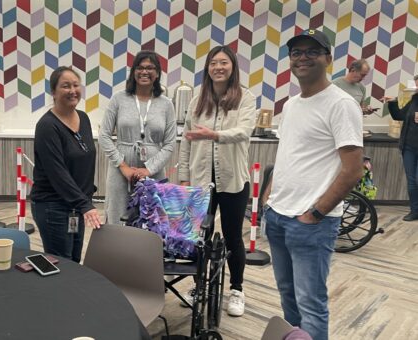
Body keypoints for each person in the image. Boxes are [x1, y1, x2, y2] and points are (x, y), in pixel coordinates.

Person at [262, 30, 363, 340]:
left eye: (311, 52)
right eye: (296, 53)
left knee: (311, 303)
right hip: (278, 216)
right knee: (288, 298)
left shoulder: (341, 104)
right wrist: (269, 196)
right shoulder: (291, 105)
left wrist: (315, 213)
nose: (302, 57)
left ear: (328, 59)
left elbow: (352, 170)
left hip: (311, 223)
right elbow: (289, 155)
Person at [178, 45, 256, 317]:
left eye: (224, 62)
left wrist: (214, 135)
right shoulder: (196, 100)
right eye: (214, 63)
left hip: (234, 181)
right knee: (200, 237)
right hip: (201, 182)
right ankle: (199, 285)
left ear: (232, 67)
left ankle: (236, 289)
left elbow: (244, 131)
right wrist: (184, 177)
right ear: (207, 68)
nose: (218, 67)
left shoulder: (245, 98)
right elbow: (186, 142)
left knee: (233, 237)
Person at [31, 66, 101, 263]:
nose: (72, 90)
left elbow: (84, 162)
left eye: (76, 85)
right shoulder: (47, 126)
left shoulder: (84, 118)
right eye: (65, 86)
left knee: (74, 261)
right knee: (62, 264)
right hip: (53, 206)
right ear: (53, 92)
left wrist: (83, 200)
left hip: (75, 205)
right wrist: (84, 205)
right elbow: (57, 173)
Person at [99, 50, 176, 224]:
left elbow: (170, 143)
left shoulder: (166, 104)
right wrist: (123, 166)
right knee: (117, 219)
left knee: (153, 221)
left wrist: (149, 169)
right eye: (140, 67)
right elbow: (104, 135)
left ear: (157, 73)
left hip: (153, 172)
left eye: (150, 68)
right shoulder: (118, 99)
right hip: (120, 171)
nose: (144, 72)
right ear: (134, 72)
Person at [380, 75, 418, 221]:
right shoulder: (414, 100)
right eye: (416, 85)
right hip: (409, 147)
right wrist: (393, 102)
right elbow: (399, 116)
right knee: (412, 181)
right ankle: (415, 211)